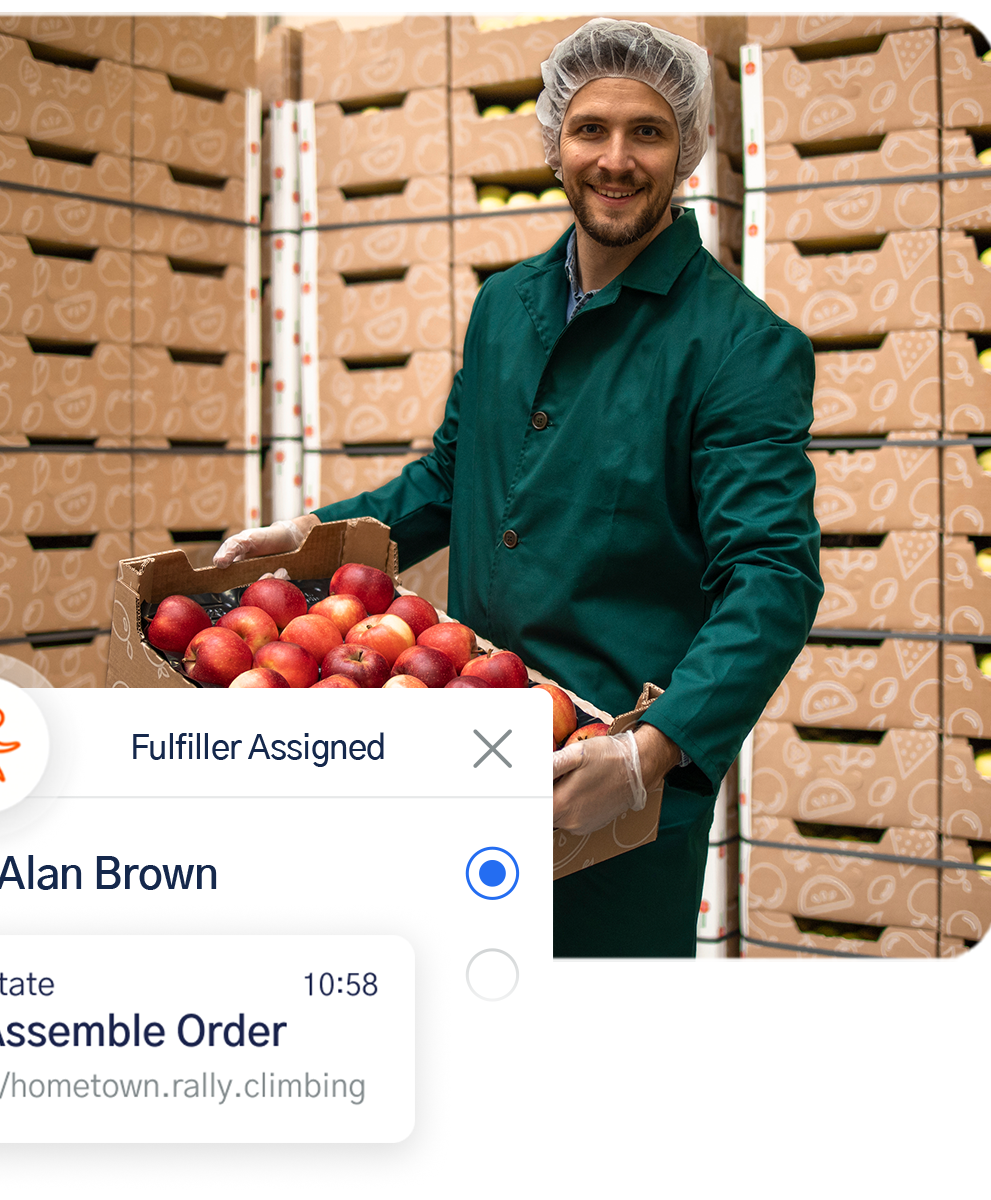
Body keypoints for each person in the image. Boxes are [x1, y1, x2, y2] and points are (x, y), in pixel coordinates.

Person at [214, 19, 823, 961]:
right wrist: (311, 536)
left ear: (688, 149)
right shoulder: (506, 305)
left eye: (647, 132)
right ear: (554, 142)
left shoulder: (741, 346)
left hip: (605, 784)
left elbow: (773, 578)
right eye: (590, 130)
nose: (615, 159)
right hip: (459, 738)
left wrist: (650, 749)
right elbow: (451, 476)